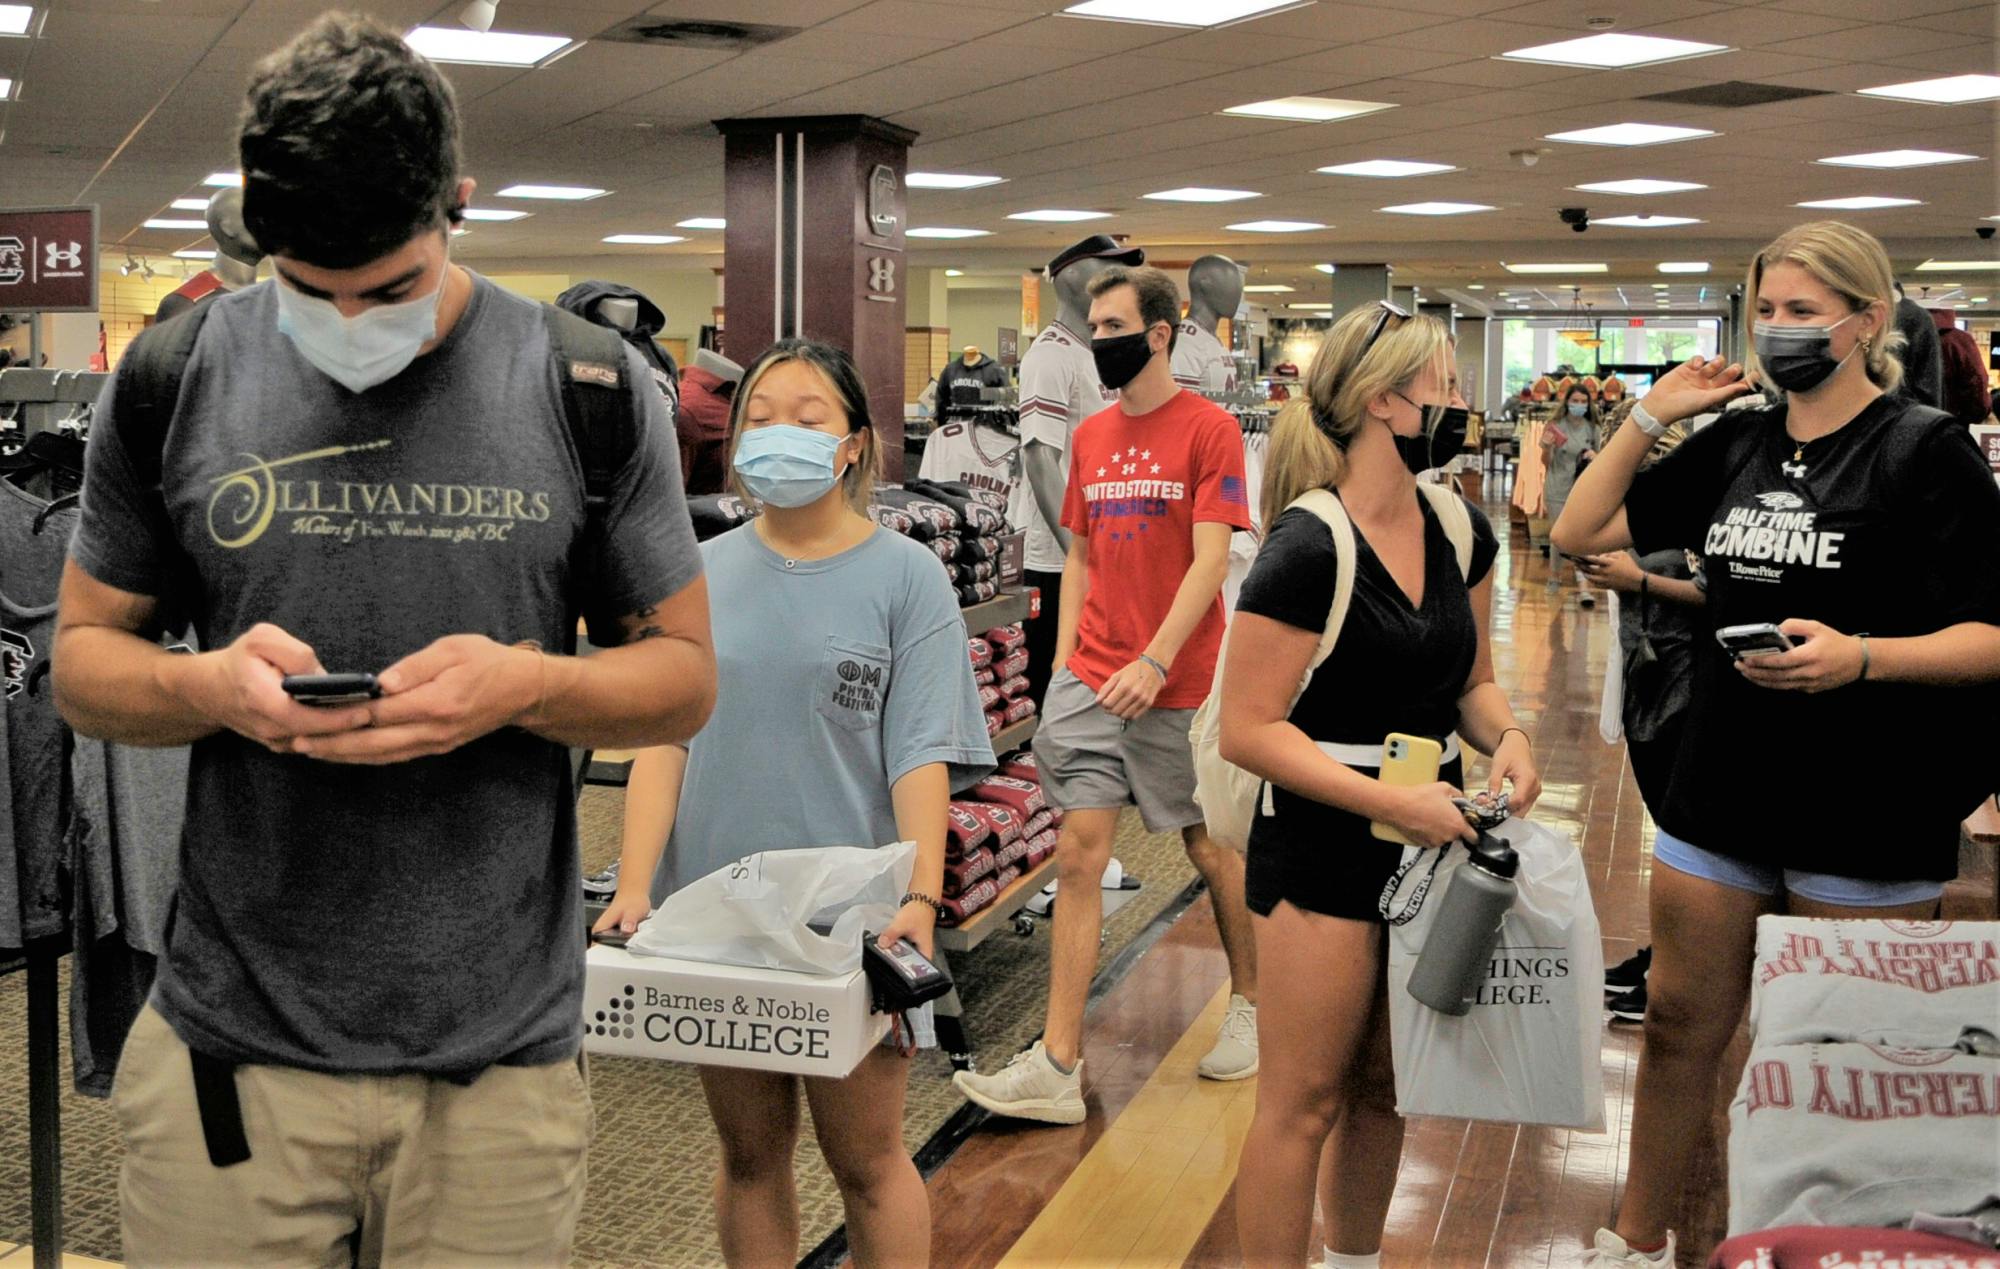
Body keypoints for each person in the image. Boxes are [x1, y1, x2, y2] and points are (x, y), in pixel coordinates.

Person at [53, 15, 717, 1264]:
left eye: (391, 290)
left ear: (457, 208)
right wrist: (210, 688)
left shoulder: (583, 387)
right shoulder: (169, 375)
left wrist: (523, 685)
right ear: (256, 228)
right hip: (231, 1054)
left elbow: (681, 680)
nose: (350, 320)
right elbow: (84, 664)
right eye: (310, 292)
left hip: (498, 1065)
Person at [1553, 220, 2000, 1267]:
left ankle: (1804, 1247)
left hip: (1866, 805)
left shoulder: (1920, 450)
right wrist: (1644, 413)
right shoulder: (1738, 443)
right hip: (1722, 785)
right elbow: (1576, 532)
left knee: (1829, 1061)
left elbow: (1990, 631)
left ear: (1864, 321)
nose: (1777, 330)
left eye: (1802, 311)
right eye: (1765, 309)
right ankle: (1636, 1238)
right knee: (1675, 1030)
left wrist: (1862, 659)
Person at [598, 339, 993, 1267]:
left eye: (808, 418)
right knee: (748, 1153)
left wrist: (920, 900)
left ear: (853, 444)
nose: (781, 433)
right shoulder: (695, 571)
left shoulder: (909, 577)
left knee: (866, 1157)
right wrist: (637, 879)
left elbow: (918, 754)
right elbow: (667, 737)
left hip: (854, 921)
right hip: (716, 906)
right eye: (761, 415)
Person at [1219, 300, 1542, 1268]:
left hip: (1428, 835)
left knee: (1383, 1087)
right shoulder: (1304, 550)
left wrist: (1510, 738)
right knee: (1300, 1101)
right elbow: (1245, 729)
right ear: (1380, 403)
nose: (1458, 403)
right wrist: (1386, 803)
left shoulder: (1457, 527)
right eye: (1442, 387)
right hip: (1322, 847)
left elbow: (1470, 684)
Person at [952, 264, 1259, 1120]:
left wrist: (1156, 661)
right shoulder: (1088, 437)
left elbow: (1210, 561)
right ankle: (1057, 1062)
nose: (1097, 341)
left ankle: (1252, 1003)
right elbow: (1079, 555)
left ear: (1159, 333)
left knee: (1211, 849)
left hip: (1179, 681)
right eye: (1092, 325)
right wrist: (1063, 671)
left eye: (1114, 325)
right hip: (1090, 676)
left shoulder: (1210, 432)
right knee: (1079, 855)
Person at [1575, 417, 1708, 1023]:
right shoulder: (1628, 510)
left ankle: (1679, 965)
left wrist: (1639, 579)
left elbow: (1718, 596)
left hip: (1684, 687)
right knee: (1671, 828)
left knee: (1687, 836)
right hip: (1645, 684)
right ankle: (1668, 954)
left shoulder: (1694, 511)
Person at [1543, 382, 1601, 606]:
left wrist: (1595, 456)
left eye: (1583, 401)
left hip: (1582, 489)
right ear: (1567, 402)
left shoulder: (1592, 429)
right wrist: (1546, 447)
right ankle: (1554, 577)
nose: (1579, 405)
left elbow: (1603, 459)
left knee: (1579, 537)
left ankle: (1584, 585)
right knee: (1558, 537)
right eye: (1575, 401)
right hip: (1557, 487)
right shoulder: (1556, 427)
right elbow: (1546, 464)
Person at [1933, 307, 1993, 428]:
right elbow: (1977, 383)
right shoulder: (1959, 340)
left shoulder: (1896, 336)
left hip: (1901, 428)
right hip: (1949, 425)